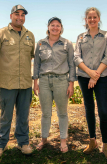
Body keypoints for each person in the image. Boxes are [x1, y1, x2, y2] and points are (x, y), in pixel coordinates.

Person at [0, 5, 35, 159]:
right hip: (7, 84)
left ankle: (23, 143)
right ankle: (0, 145)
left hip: (24, 83)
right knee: (5, 116)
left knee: (23, 116)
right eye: (17, 14)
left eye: (23, 15)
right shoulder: (0, 34)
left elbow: (30, 56)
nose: (20, 17)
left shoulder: (30, 35)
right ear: (11, 16)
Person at [74, 7, 107, 160]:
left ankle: (106, 144)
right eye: (89, 17)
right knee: (89, 109)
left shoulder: (106, 35)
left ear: (99, 18)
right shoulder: (80, 37)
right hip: (84, 77)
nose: (92, 19)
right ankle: (92, 141)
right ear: (86, 20)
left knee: (103, 110)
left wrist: (95, 74)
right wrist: (89, 73)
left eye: (94, 17)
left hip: (101, 77)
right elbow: (77, 57)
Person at [33, 17, 76, 153]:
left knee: (62, 113)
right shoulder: (40, 44)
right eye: (52, 25)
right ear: (48, 27)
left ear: (61, 28)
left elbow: (71, 64)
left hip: (61, 81)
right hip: (44, 81)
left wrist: (71, 84)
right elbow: (37, 64)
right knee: (46, 113)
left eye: (58, 26)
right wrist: (35, 82)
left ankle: (63, 140)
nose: (55, 28)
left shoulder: (67, 44)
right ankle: (44, 139)